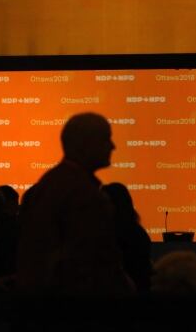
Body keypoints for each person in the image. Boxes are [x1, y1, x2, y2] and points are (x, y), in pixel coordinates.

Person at [16, 112, 132, 294]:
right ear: (85, 143)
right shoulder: (83, 193)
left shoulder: (47, 185)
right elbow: (92, 261)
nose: (112, 146)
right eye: (105, 139)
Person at [101, 182, 153, 293]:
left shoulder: (133, 234)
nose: (101, 207)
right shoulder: (137, 232)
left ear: (118, 204)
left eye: (105, 203)